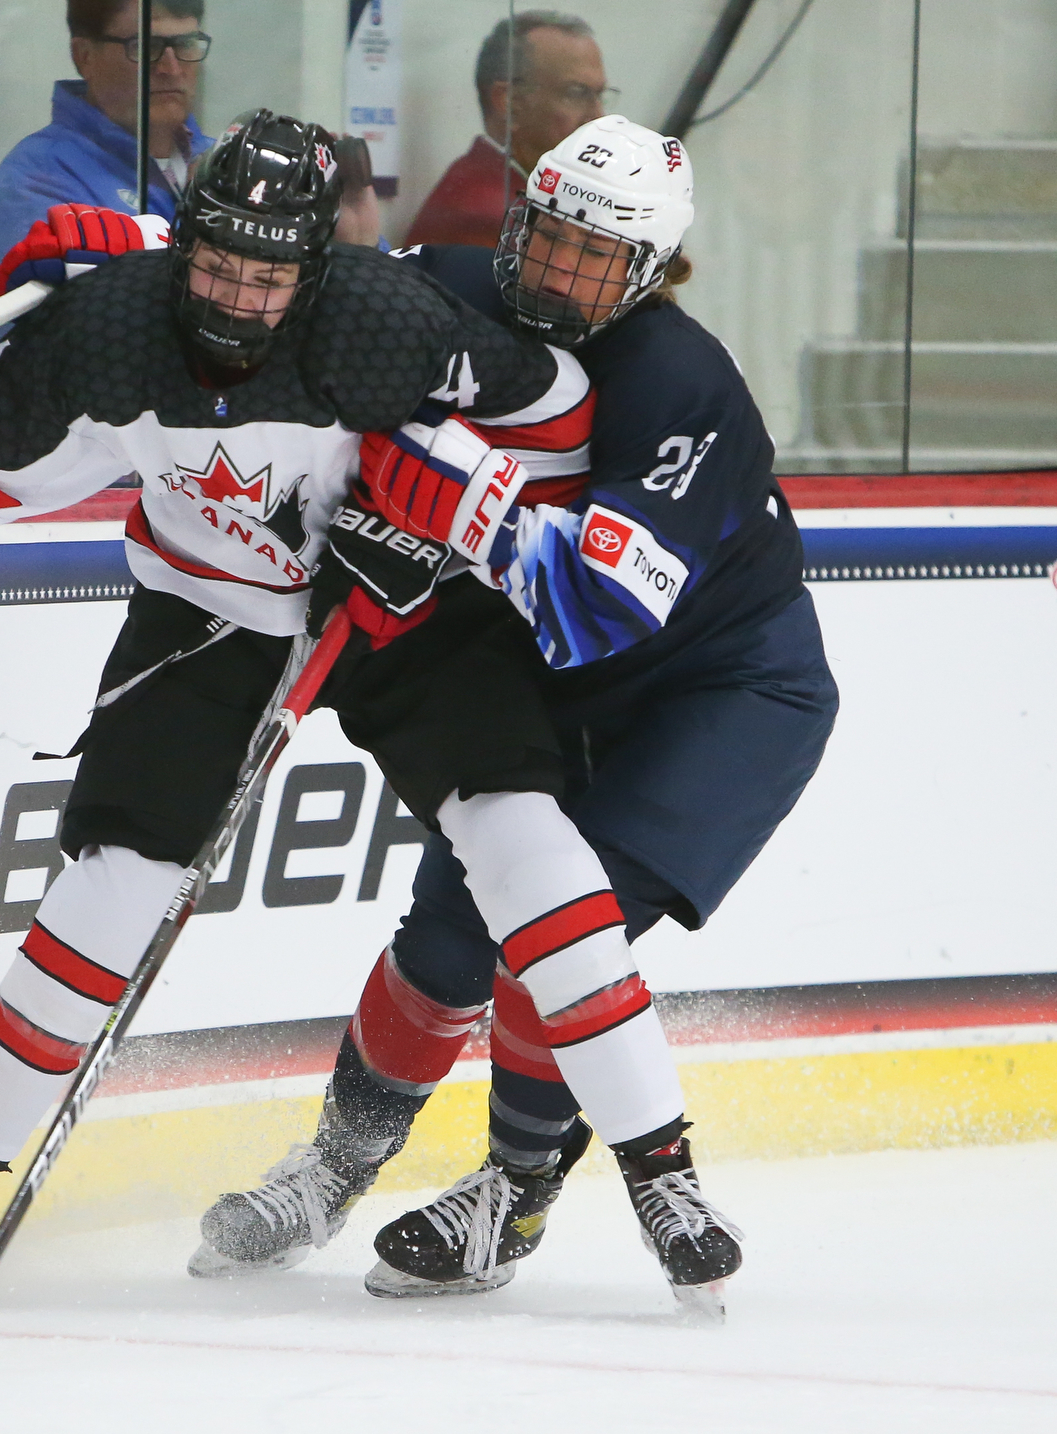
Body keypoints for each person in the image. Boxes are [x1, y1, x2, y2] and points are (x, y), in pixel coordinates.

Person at [0, 112, 684, 1318]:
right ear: (179, 243)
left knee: (526, 838)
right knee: (112, 891)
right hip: (210, 613)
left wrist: (455, 499)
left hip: (399, 608)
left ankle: (663, 1173)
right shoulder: (112, 327)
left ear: (313, 273)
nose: (237, 301)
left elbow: (555, 408)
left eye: (269, 274)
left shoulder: (380, 320)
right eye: (209, 261)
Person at [194, 117, 837, 1309]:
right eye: (548, 237)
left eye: (597, 257)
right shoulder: (445, 287)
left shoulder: (680, 382)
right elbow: (275, 282)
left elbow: (595, 608)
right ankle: (332, 1166)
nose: (558, 273)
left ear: (650, 269)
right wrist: (126, 267)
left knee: (551, 944)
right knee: (442, 945)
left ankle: (513, 1190)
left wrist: (459, 501)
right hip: (550, 687)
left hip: (718, 692)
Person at [0, 0, 215, 303]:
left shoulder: (219, 161)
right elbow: (36, 338)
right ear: (84, 57)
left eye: (187, 44)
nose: (172, 68)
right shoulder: (40, 178)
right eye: (145, 46)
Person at [402, 11, 612, 249]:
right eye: (576, 93)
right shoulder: (491, 213)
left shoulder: (517, 191)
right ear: (509, 103)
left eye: (599, 96)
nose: (598, 118)